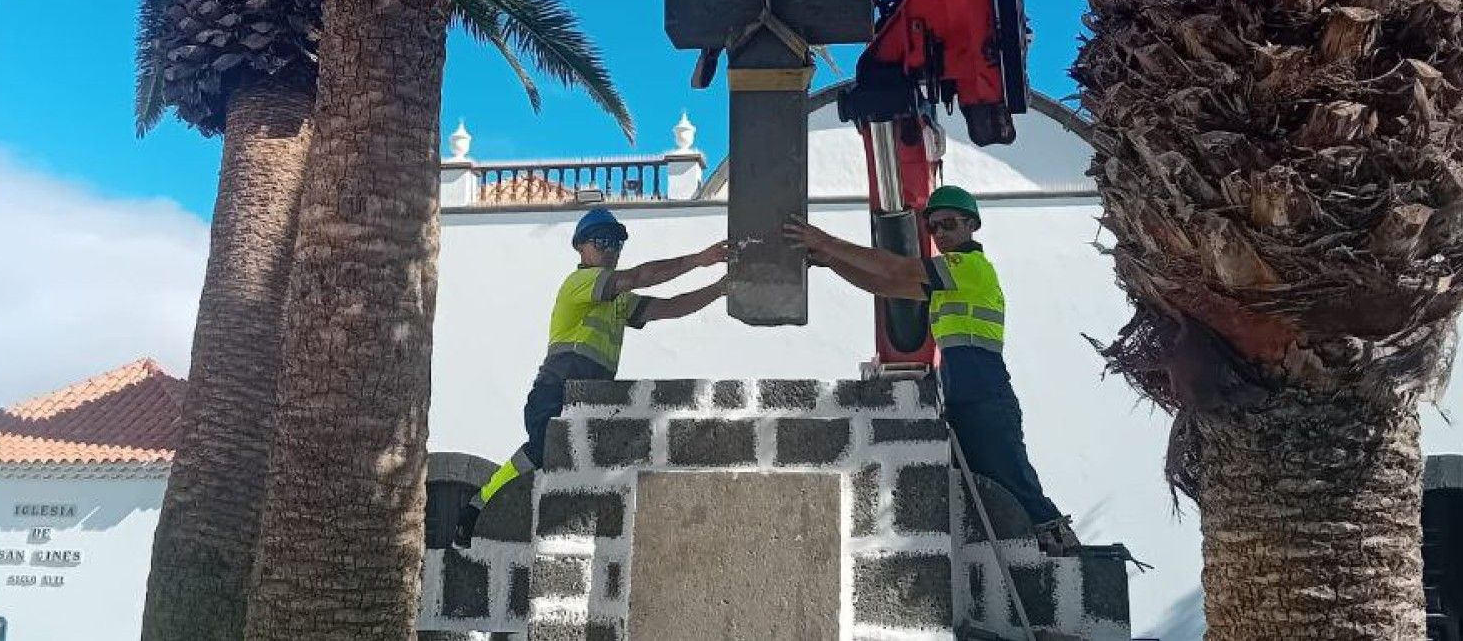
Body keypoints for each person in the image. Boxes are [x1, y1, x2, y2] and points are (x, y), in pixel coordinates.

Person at [783, 185, 1079, 555]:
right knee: (978, 484)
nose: (939, 234)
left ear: (971, 225)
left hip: (986, 394)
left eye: (948, 224)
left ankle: (1059, 544)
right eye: (933, 227)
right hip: (963, 396)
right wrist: (832, 262)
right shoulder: (945, 280)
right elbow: (883, 284)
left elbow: (895, 267)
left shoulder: (969, 267)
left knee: (1012, 476)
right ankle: (1020, 552)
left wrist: (826, 241)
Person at [454, 208, 727, 547]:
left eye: (616, 242)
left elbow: (669, 307)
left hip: (591, 399)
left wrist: (720, 288)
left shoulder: (618, 302)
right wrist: (700, 259)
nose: (610, 248)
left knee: (579, 468)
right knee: (540, 454)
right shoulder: (580, 282)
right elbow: (638, 276)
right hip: (555, 393)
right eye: (601, 241)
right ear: (581, 247)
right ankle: (479, 507)